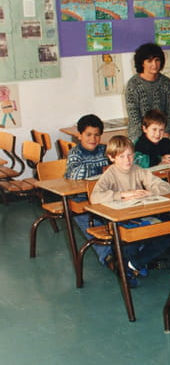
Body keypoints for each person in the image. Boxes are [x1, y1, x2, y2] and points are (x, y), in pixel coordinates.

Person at [89, 135, 170, 286]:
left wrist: (150, 192)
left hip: (142, 216)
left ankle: (134, 264)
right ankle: (133, 266)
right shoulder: (110, 174)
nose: (127, 160)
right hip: (122, 221)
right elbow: (95, 197)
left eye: (130, 155)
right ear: (112, 158)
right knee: (128, 241)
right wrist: (122, 195)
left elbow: (165, 187)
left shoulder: (137, 170)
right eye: (121, 156)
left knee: (169, 232)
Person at [65, 114, 112, 267]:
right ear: (79, 135)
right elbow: (75, 174)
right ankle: (108, 256)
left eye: (97, 135)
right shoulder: (75, 153)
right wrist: (102, 169)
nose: (93, 139)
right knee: (90, 224)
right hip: (81, 198)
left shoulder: (105, 150)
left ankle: (128, 251)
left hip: (104, 196)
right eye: (88, 134)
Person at [124, 42, 170, 143]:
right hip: (140, 132)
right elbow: (134, 118)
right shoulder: (133, 84)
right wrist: (150, 135)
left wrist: (162, 132)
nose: (154, 64)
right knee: (143, 147)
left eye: (157, 60)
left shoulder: (166, 82)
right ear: (142, 63)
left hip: (165, 130)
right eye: (149, 61)